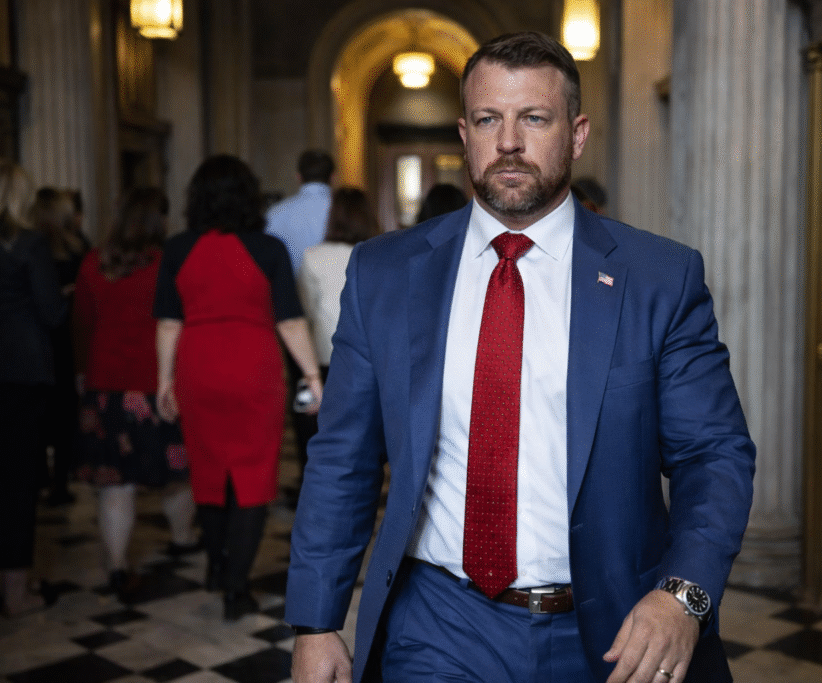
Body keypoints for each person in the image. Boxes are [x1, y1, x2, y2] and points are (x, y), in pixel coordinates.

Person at [286, 31, 755, 683]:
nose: (508, 141)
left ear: (577, 132)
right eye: (488, 119)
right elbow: (343, 456)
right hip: (439, 622)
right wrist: (316, 621)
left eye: (533, 118)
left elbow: (713, 453)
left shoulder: (657, 278)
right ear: (464, 132)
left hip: (612, 628)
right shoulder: (385, 274)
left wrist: (684, 595)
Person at [154, 155, 323, 621]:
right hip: (254, 368)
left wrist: (163, 380)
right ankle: (236, 587)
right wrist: (312, 375)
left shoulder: (177, 248)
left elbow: (169, 323)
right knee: (252, 475)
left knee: (207, 471)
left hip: (198, 365)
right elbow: (289, 320)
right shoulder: (268, 248)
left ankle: (215, 563)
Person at [74, 187, 199, 600]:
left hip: (106, 386)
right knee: (178, 474)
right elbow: (182, 325)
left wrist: (81, 375)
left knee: (116, 485)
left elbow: (83, 325)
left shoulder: (94, 263)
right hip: (155, 384)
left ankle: (116, 566)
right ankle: (182, 537)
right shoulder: (168, 265)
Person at [0, 160, 64, 616]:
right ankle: (16, 592)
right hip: (20, 373)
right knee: (17, 483)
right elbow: (52, 311)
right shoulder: (29, 244)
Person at [265, 148, 335, 493]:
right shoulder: (342, 209)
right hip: (340, 315)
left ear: (298, 176)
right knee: (340, 393)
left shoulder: (277, 214)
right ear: (332, 177)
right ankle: (334, 469)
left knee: (304, 391)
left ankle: (309, 468)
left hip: (291, 311)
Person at [296, 187, 379, 461]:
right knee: (362, 439)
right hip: (369, 358)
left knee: (316, 432)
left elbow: (305, 312)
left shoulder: (312, 256)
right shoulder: (380, 253)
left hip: (322, 358)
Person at [30, 187, 89, 506]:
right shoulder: (33, 248)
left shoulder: (80, 247)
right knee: (46, 410)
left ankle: (58, 479)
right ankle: (45, 476)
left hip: (64, 337)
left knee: (62, 410)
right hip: (48, 336)